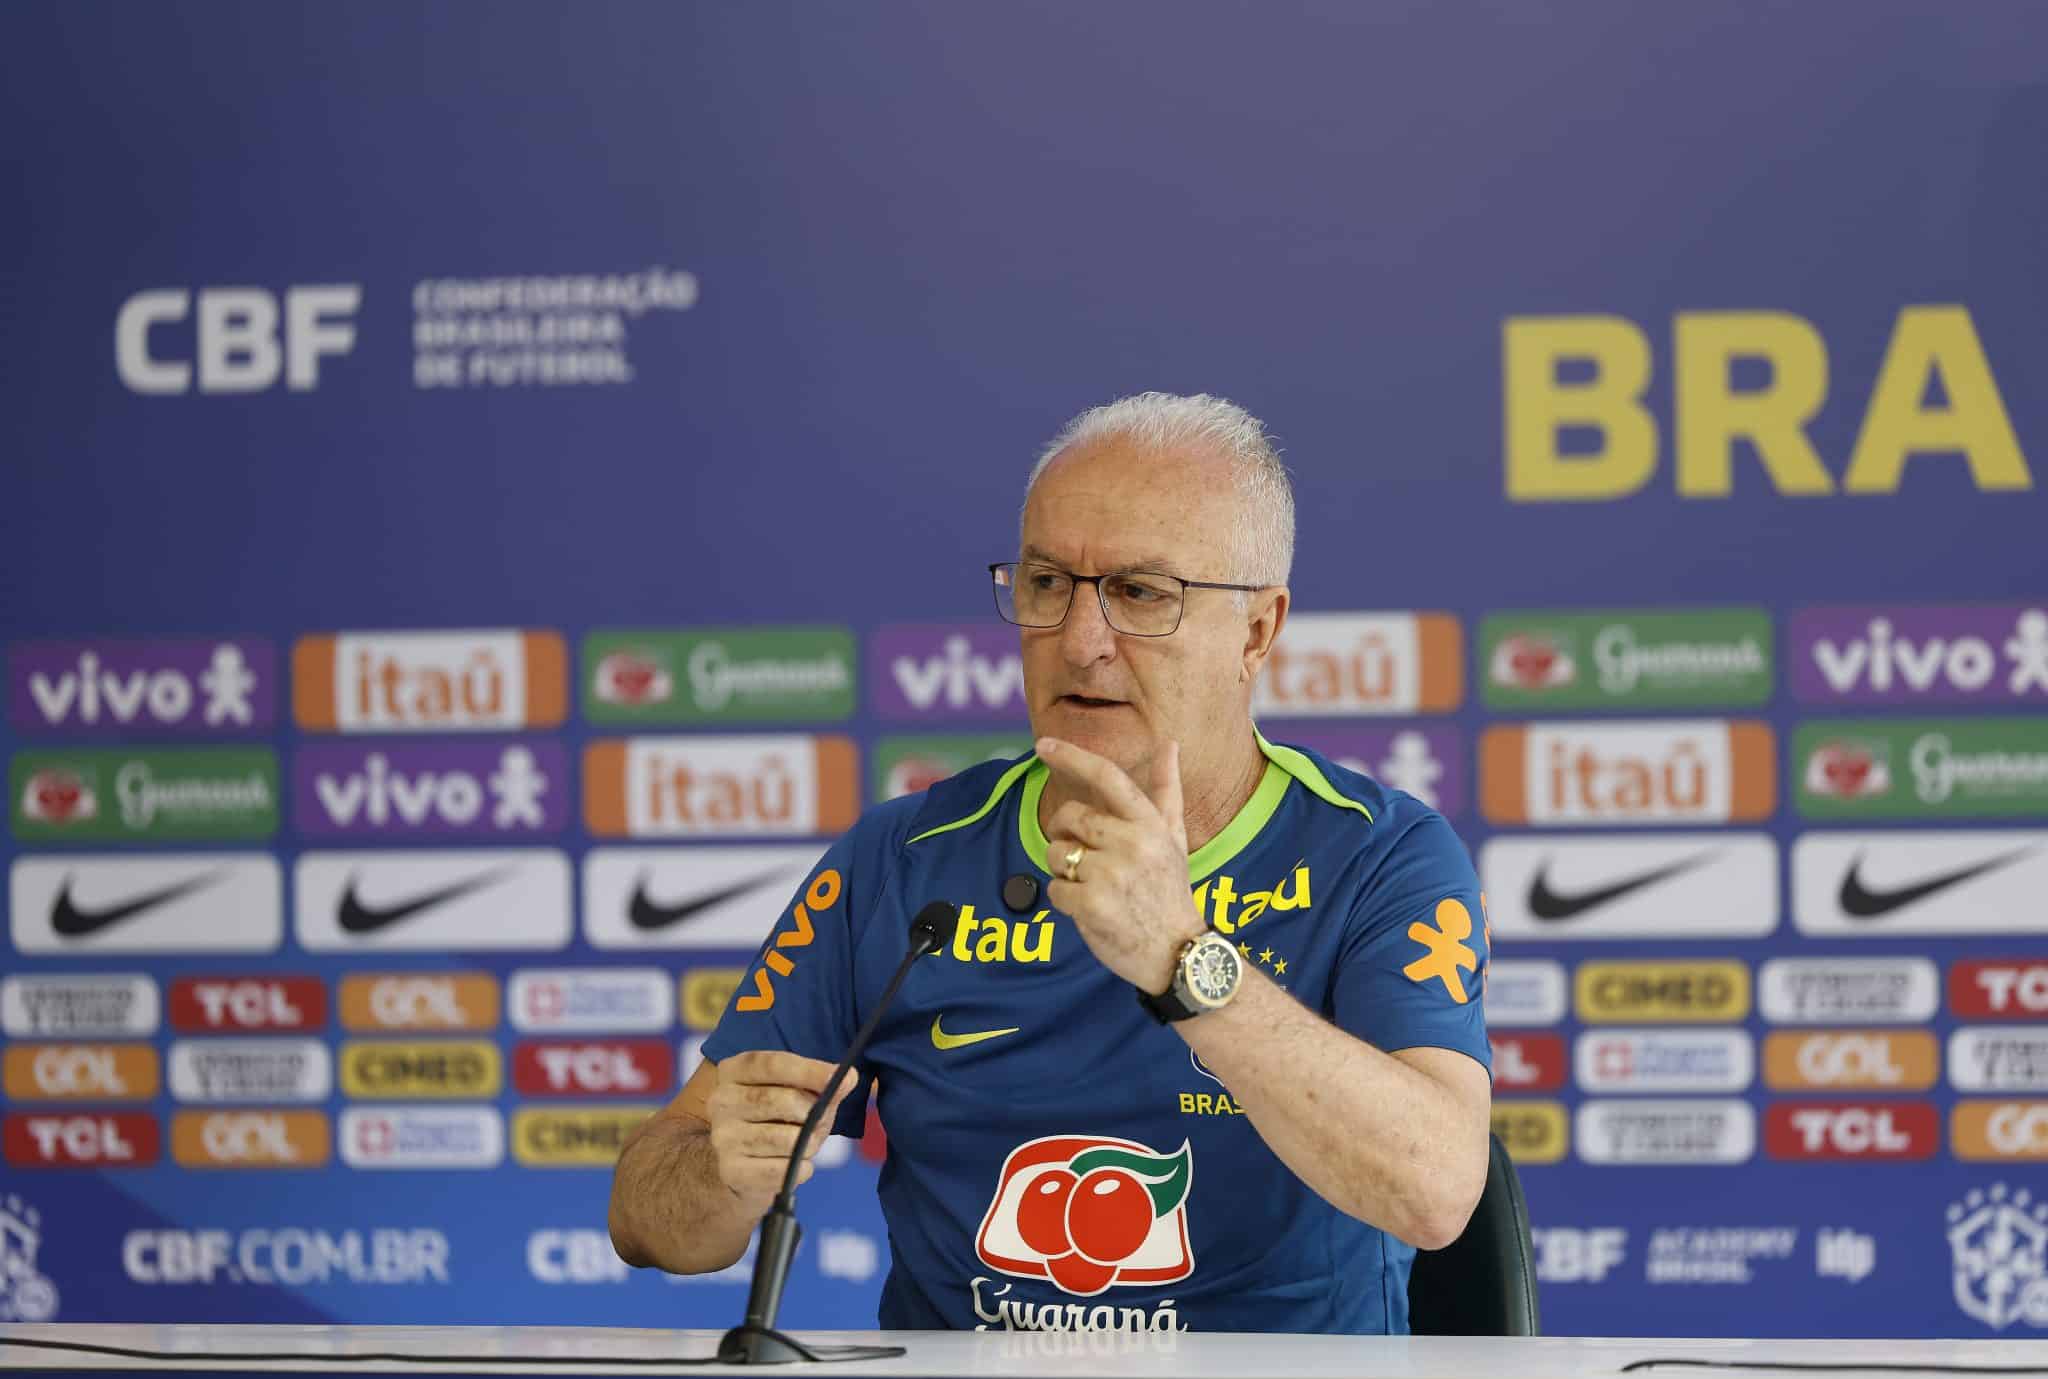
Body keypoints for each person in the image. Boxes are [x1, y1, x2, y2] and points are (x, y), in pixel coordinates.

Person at [609, 392, 1493, 1334]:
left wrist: (1181, 959)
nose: (1079, 641)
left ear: (1256, 632)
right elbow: (648, 1223)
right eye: (1045, 584)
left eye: (1141, 592)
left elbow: (1434, 1193)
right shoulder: (901, 861)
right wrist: (719, 1175)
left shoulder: (1380, 851)